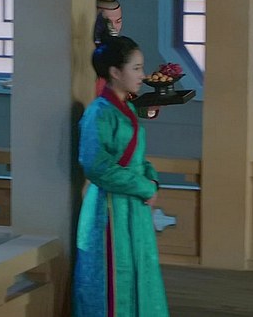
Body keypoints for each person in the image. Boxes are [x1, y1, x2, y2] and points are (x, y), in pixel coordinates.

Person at [72, 36, 169, 317]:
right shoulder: (98, 112)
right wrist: (143, 186)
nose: (142, 75)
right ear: (115, 72)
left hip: (133, 205)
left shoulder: (126, 108)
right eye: (136, 68)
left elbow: (138, 157)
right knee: (114, 279)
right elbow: (96, 166)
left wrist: (151, 180)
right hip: (110, 208)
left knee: (140, 271)